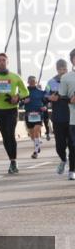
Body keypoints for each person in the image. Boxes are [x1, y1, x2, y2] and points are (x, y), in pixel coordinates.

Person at [0, 53, 28, 174]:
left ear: (7, 62)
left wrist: (17, 97)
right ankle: (12, 160)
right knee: (5, 136)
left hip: (12, 109)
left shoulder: (15, 77)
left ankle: (14, 161)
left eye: (3, 60)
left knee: (10, 133)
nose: (1, 62)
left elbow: (25, 91)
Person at [46, 58, 72, 175]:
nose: (63, 71)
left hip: (72, 118)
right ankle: (63, 160)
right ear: (57, 69)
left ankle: (72, 169)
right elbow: (44, 96)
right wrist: (49, 98)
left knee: (72, 145)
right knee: (59, 146)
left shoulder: (72, 80)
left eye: (65, 69)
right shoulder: (51, 82)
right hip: (58, 119)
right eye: (61, 69)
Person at [54, 48, 75, 181]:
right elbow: (62, 97)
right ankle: (72, 170)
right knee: (73, 146)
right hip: (73, 119)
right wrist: (71, 100)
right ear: (72, 60)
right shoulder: (66, 78)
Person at [21, 75, 48, 159]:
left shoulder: (41, 92)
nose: (32, 82)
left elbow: (46, 102)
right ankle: (37, 144)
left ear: (36, 82)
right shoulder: (24, 92)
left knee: (36, 131)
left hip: (38, 114)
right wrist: (24, 102)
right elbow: (19, 104)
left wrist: (45, 107)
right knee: (32, 135)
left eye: (34, 81)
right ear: (28, 82)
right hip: (28, 115)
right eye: (31, 81)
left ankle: (35, 151)